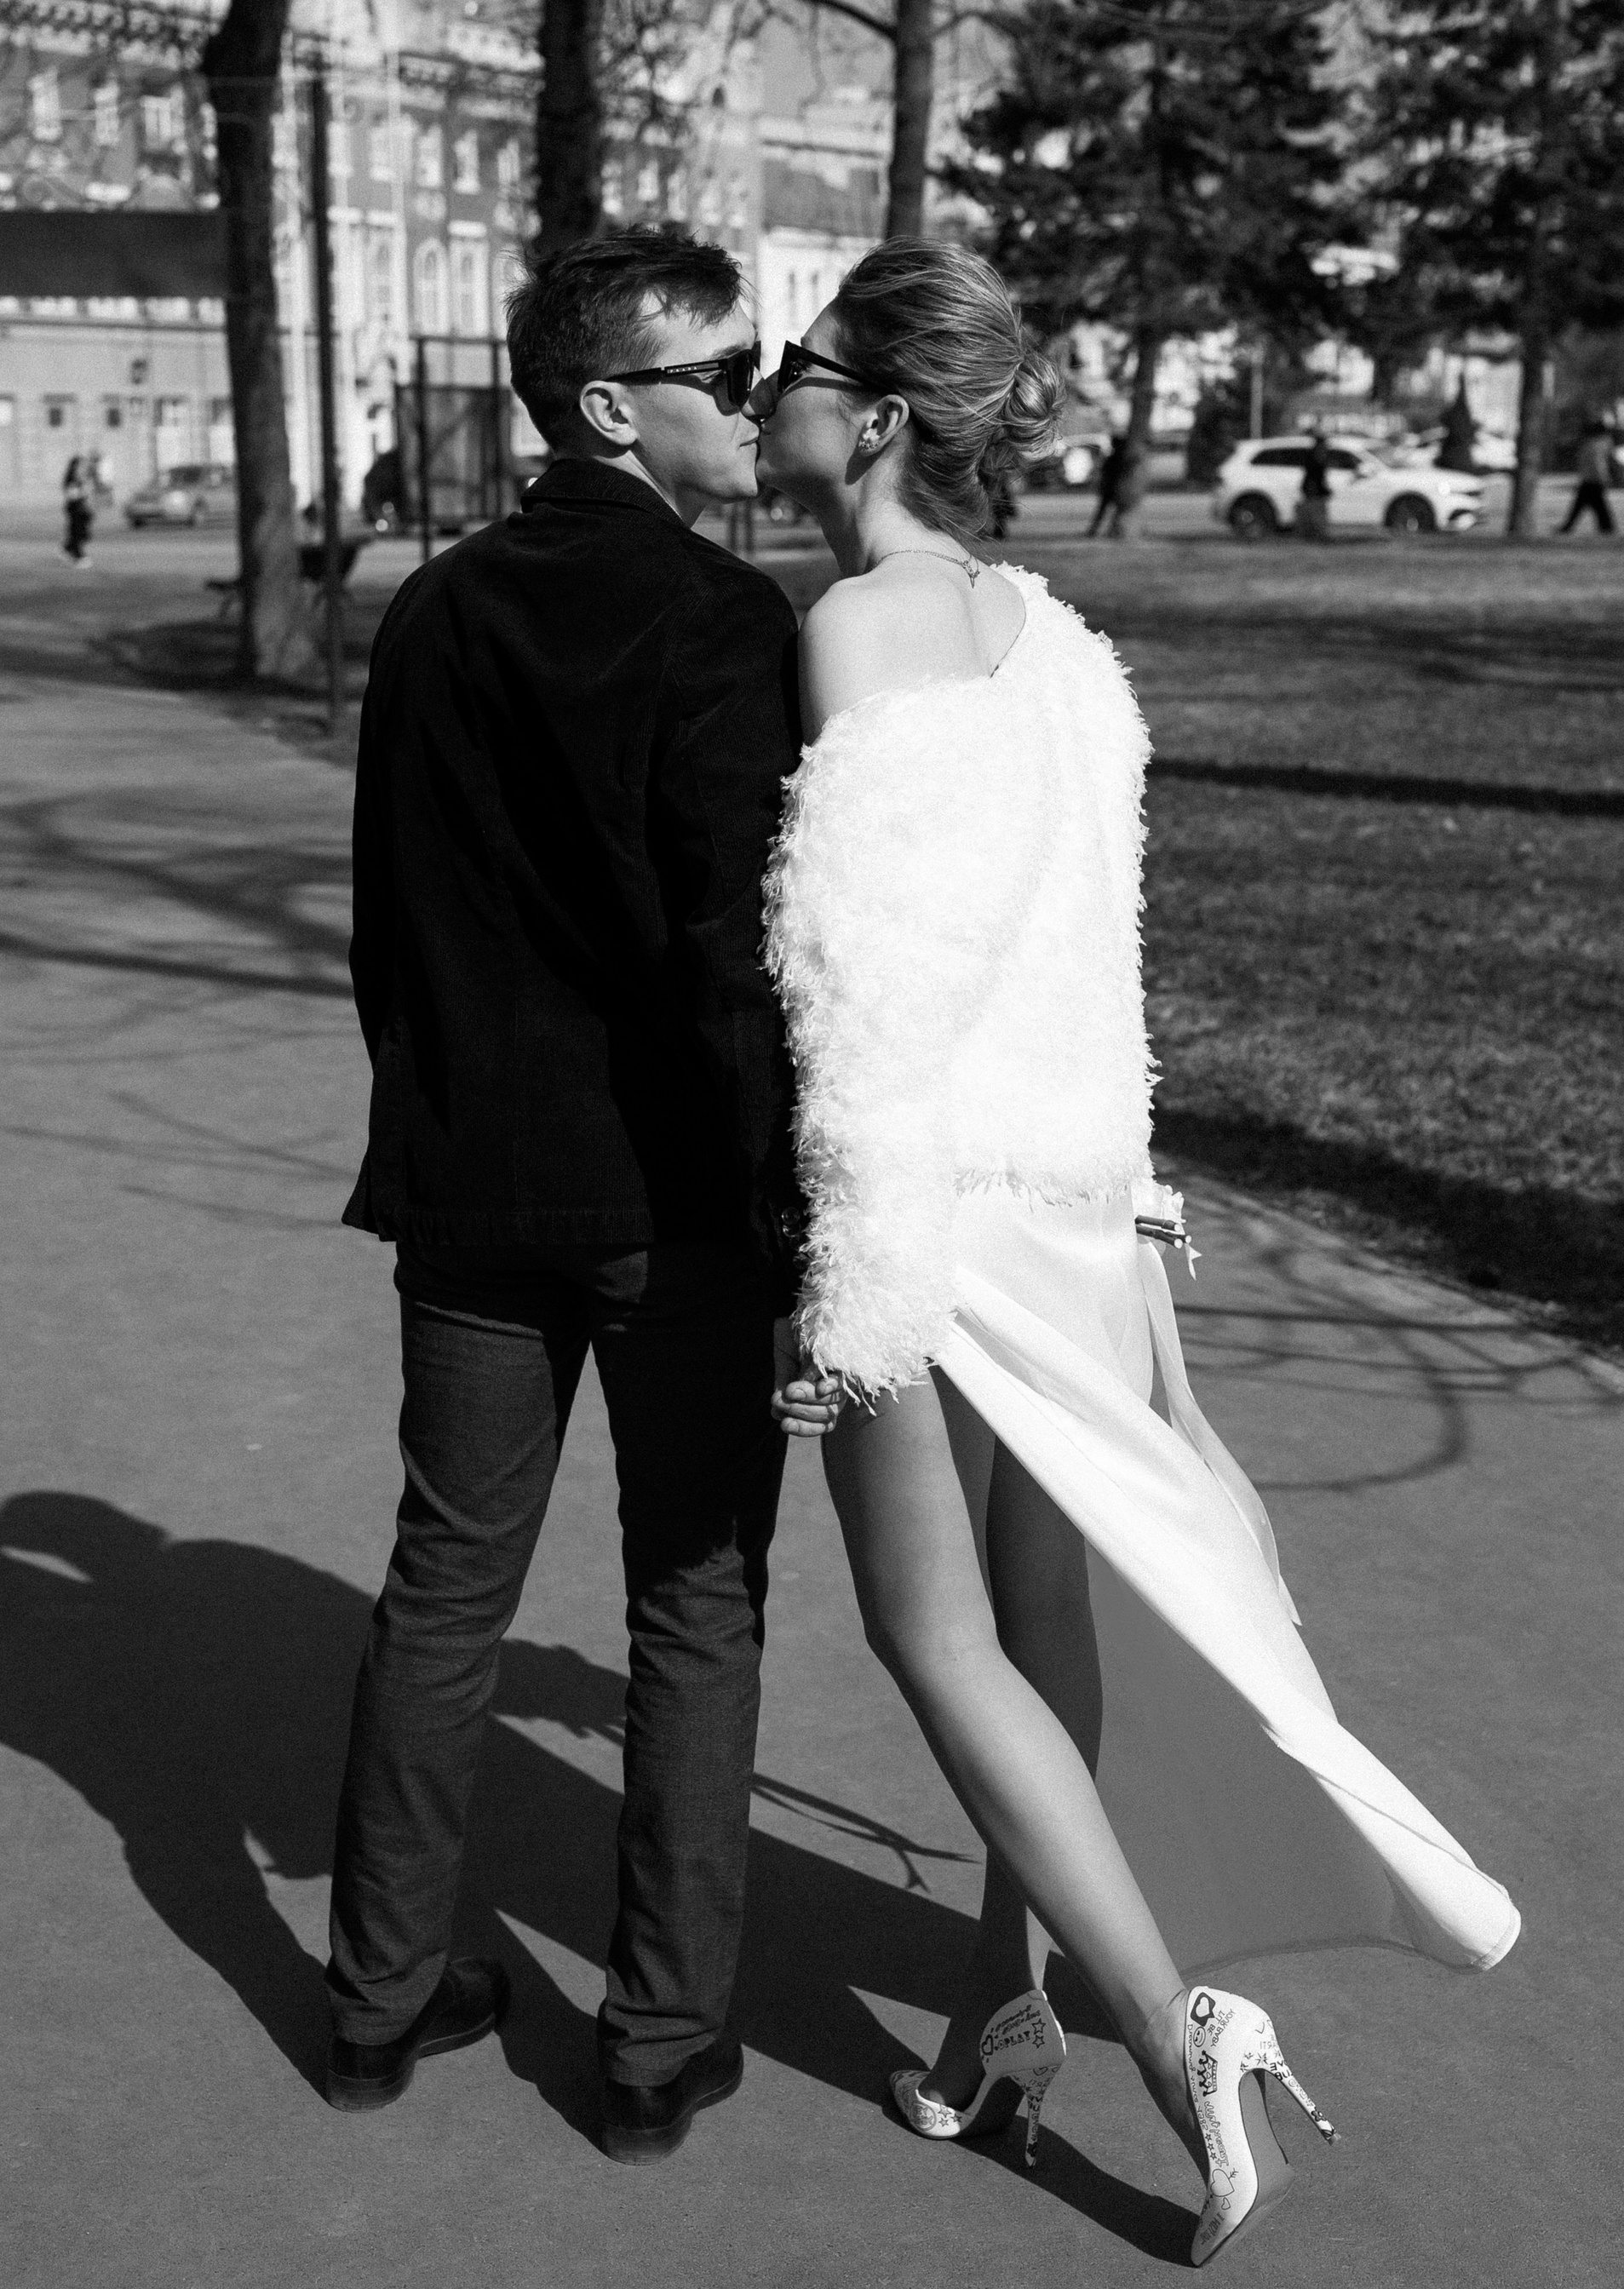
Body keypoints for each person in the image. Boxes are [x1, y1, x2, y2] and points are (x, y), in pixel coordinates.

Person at [751, 238, 1520, 2269]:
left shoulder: (858, 627)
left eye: (790, 366)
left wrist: (846, 1283)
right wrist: (1147, 1276)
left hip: (937, 1210)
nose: (763, 396)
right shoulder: (1068, 651)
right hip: (1080, 1206)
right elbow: (1110, 981)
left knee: (933, 1641)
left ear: (875, 413)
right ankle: (996, 2020)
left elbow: (860, 989)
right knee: (1039, 1636)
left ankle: (1186, 2039)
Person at [328, 226, 804, 2164]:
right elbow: (736, 963)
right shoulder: (724, 621)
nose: (761, 405)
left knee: (446, 1584)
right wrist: (792, 1217)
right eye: (730, 376)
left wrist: (433, 1119)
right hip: (670, 1202)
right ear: (611, 407)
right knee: (697, 1600)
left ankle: (374, 2003)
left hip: (471, 1187)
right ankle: (656, 2046)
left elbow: (387, 928)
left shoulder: (433, 611)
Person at [1558, 418, 1617, 535]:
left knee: (1590, 504)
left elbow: (1597, 463)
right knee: (1594, 504)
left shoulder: (1594, 444)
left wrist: (1601, 477)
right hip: (1593, 478)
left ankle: (1606, 527)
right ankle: (1606, 527)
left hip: (1592, 479)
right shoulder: (1600, 443)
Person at [1085, 431, 1127, 536]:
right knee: (1115, 511)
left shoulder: (1112, 458)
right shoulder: (1121, 458)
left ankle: (1095, 531)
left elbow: (1104, 473)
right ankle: (1111, 531)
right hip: (1116, 489)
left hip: (1110, 489)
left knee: (1103, 511)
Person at [1295, 429, 1331, 540]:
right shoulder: (1316, 456)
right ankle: (1315, 534)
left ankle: (1313, 533)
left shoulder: (1316, 455)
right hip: (1313, 490)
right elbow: (1315, 475)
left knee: (1315, 511)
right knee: (1315, 513)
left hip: (1314, 490)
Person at [61, 456, 94, 565]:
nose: (83, 468)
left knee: (83, 533)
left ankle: (68, 549)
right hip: (75, 509)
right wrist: (84, 491)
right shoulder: (72, 479)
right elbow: (72, 495)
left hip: (82, 509)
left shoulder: (82, 479)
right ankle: (77, 556)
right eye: (81, 466)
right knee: (77, 532)